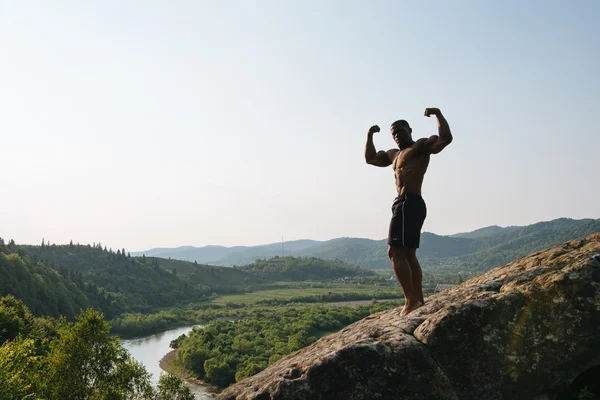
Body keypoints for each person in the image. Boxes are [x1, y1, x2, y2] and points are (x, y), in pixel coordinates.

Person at [364, 108, 453, 315]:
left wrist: (438, 114)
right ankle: (418, 300)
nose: (396, 136)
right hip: (402, 203)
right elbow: (370, 159)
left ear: (409, 130)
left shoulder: (420, 146)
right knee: (408, 253)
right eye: (393, 133)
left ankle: (410, 300)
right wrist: (369, 136)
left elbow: (445, 139)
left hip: (410, 201)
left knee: (394, 251)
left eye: (400, 131)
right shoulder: (393, 155)